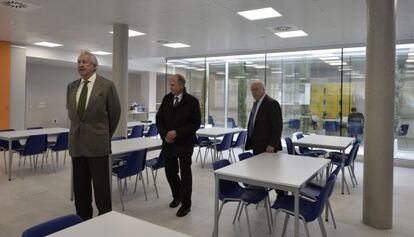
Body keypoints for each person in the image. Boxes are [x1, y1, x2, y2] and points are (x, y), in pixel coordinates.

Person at [66, 51, 121, 220]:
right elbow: (72, 114)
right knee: (81, 190)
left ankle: (105, 222)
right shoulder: (72, 86)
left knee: (101, 190)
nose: (81, 65)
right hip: (77, 145)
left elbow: (115, 114)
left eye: (85, 62)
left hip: (98, 145)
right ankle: (83, 221)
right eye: (79, 61)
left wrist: (103, 135)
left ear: (94, 66)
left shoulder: (106, 86)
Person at [156, 74, 201, 217]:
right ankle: (177, 195)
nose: (170, 87)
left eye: (173, 85)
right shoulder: (167, 99)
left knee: (185, 174)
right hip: (168, 143)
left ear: (181, 85)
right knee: (170, 172)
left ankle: (186, 204)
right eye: (170, 84)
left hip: (184, 143)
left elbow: (195, 123)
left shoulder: (192, 101)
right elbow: (159, 119)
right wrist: (165, 135)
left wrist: (177, 132)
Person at [245, 80, 283, 155]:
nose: (253, 92)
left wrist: (272, 144)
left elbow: (277, 127)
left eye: (256, 89)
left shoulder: (272, 103)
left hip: (267, 145)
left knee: (267, 166)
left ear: (263, 89)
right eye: (252, 90)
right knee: (257, 165)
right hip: (256, 143)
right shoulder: (256, 103)